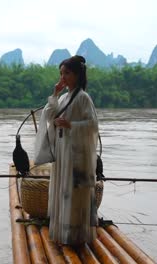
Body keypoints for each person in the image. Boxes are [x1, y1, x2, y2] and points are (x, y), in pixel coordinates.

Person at [34, 55, 99, 246]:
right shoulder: (63, 97)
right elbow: (48, 114)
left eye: (67, 73)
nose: (63, 77)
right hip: (63, 153)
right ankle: (64, 233)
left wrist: (70, 125)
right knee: (63, 191)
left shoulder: (83, 98)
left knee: (74, 193)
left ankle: (76, 237)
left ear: (77, 75)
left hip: (76, 155)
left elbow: (93, 125)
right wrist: (54, 94)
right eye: (61, 74)